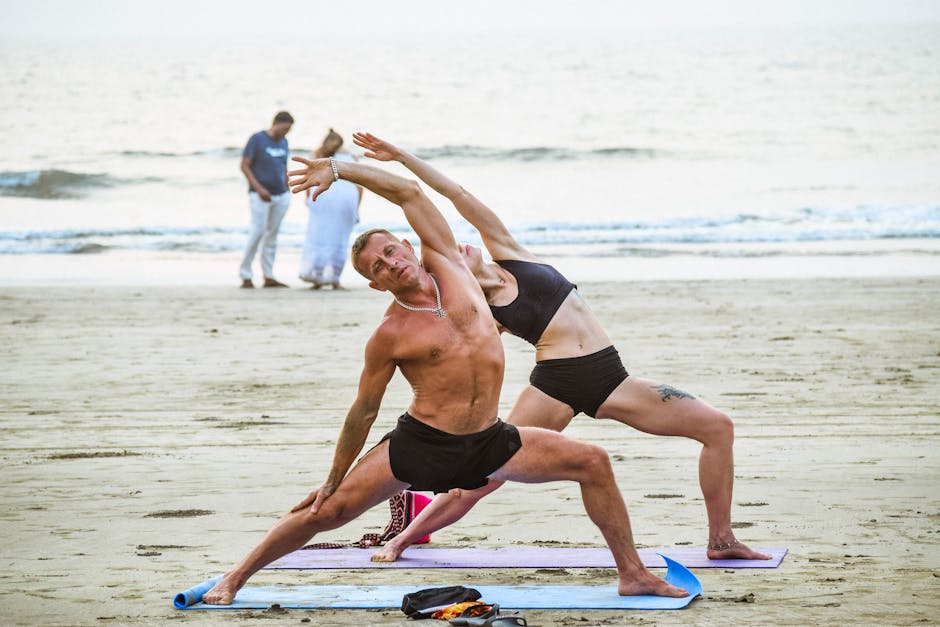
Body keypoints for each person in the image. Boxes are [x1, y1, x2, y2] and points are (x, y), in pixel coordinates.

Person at [201, 156, 688, 604]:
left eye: (391, 251)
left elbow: (410, 193)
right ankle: (235, 577)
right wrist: (331, 479)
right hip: (422, 445)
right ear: (376, 283)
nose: (391, 263)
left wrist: (339, 168)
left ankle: (633, 574)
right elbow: (363, 411)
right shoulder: (390, 334)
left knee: (593, 461)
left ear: (408, 246)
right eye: (379, 267)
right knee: (326, 512)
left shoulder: (454, 265)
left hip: (490, 440)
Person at [351, 132, 771, 564]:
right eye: (449, 254)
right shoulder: (477, 310)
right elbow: (457, 358)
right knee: (483, 476)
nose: (459, 246)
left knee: (717, 428)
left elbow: (455, 193)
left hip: (612, 378)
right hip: (556, 384)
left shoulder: (510, 252)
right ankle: (402, 540)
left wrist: (402, 157)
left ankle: (722, 541)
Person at [299, 129, 363, 289]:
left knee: (318, 235)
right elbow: (360, 184)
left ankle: (316, 276)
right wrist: (357, 206)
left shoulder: (316, 155)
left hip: (322, 196)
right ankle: (334, 278)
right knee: (340, 237)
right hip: (348, 198)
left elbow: (308, 178)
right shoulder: (351, 156)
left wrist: (307, 198)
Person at [238, 111, 294, 289]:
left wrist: (287, 185)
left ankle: (268, 276)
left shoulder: (284, 142)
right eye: (284, 129)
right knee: (257, 232)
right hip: (260, 195)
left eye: (288, 130)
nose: (285, 133)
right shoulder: (257, 139)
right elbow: (244, 165)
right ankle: (245, 274)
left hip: (280, 194)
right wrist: (258, 188)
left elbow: (284, 165)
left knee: (272, 235)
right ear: (276, 123)